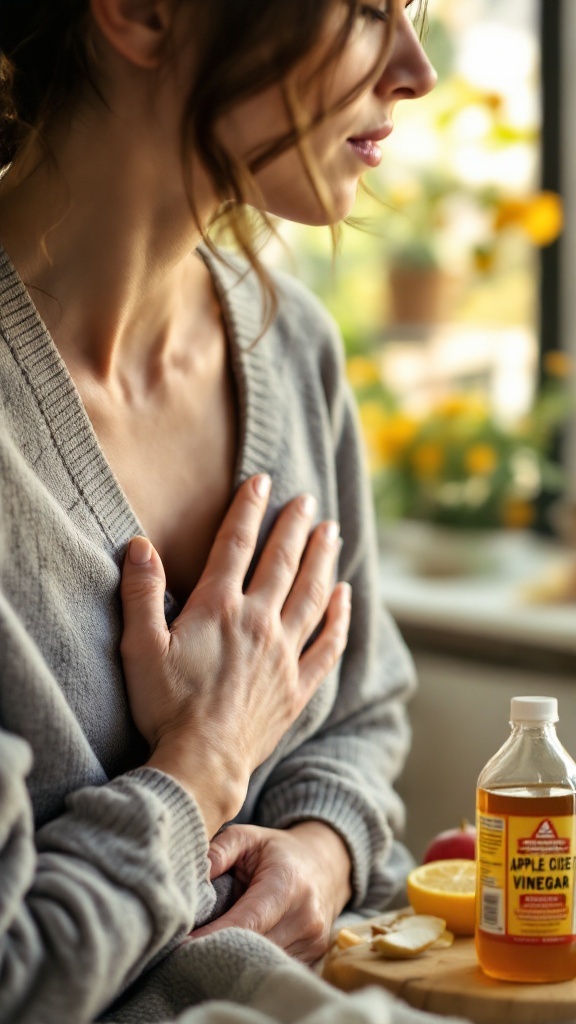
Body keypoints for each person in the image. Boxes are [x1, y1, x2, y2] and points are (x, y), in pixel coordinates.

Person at [0, 1, 445, 1022]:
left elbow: (360, 717)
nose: (417, 70)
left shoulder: (297, 350)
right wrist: (199, 766)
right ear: (145, 11)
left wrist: (323, 854)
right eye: (370, 8)